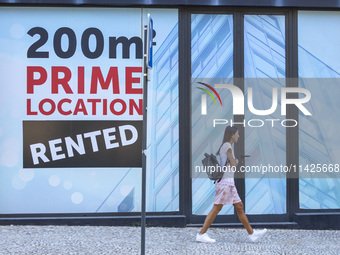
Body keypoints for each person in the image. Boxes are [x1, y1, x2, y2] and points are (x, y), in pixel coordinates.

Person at [196, 126, 267, 243]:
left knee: (239, 207)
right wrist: (237, 161)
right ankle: (201, 234)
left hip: (229, 183)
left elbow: (230, 164)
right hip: (225, 183)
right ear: (232, 135)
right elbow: (234, 165)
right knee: (217, 208)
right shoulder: (227, 146)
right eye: (237, 134)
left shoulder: (226, 146)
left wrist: (234, 161)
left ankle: (252, 234)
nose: (238, 136)